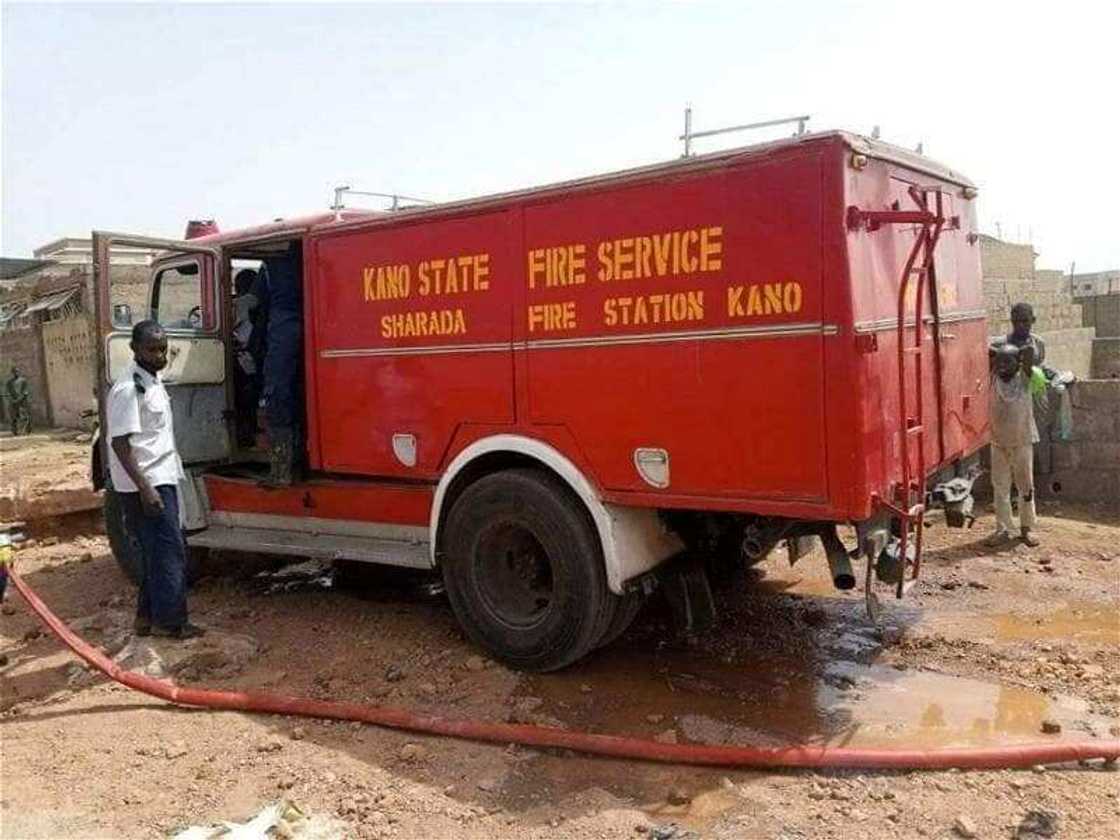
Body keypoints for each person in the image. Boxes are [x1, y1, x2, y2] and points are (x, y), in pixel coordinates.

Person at [107, 320, 203, 639]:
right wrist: (146, 490)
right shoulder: (128, 388)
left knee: (154, 553)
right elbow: (120, 444)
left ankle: (146, 618)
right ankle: (172, 623)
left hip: (160, 476)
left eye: (163, 348)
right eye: (152, 348)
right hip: (146, 484)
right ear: (134, 349)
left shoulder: (152, 380)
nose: (160, 354)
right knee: (170, 552)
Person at [986, 343, 1041, 548]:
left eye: (1007, 362)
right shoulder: (992, 379)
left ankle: (1027, 529)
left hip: (1022, 442)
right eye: (999, 361)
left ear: (1018, 364)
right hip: (998, 442)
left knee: (1026, 487)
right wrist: (999, 352)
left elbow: (1028, 351)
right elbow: (985, 350)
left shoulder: (1024, 379)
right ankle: (1003, 529)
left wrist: (1017, 353)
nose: (1002, 365)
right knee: (1000, 488)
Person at [258, 250, 302, 485]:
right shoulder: (298, 263)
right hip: (299, 316)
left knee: (276, 390)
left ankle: (280, 471)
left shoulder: (273, 264)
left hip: (283, 320)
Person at [232, 268, 261, 448]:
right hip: (259, 358)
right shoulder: (265, 302)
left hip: (247, 360)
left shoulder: (242, 303)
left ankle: (243, 435)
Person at [1007, 302, 1046, 367]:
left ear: (1033, 320)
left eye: (1025, 321)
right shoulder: (1002, 343)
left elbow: (1039, 366)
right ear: (1012, 320)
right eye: (1016, 321)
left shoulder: (1038, 343)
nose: (1020, 325)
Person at [5, 366, 31, 436]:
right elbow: (7, 392)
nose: (16, 373)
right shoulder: (9, 382)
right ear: (12, 373)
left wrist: (20, 398)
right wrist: (11, 399)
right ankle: (15, 431)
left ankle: (27, 431)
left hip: (22, 401)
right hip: (13, 402)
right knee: (14, 417)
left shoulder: (23, 380)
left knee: (25, 416)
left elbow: (25, 391)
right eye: (14, 372)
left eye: (17, 371)